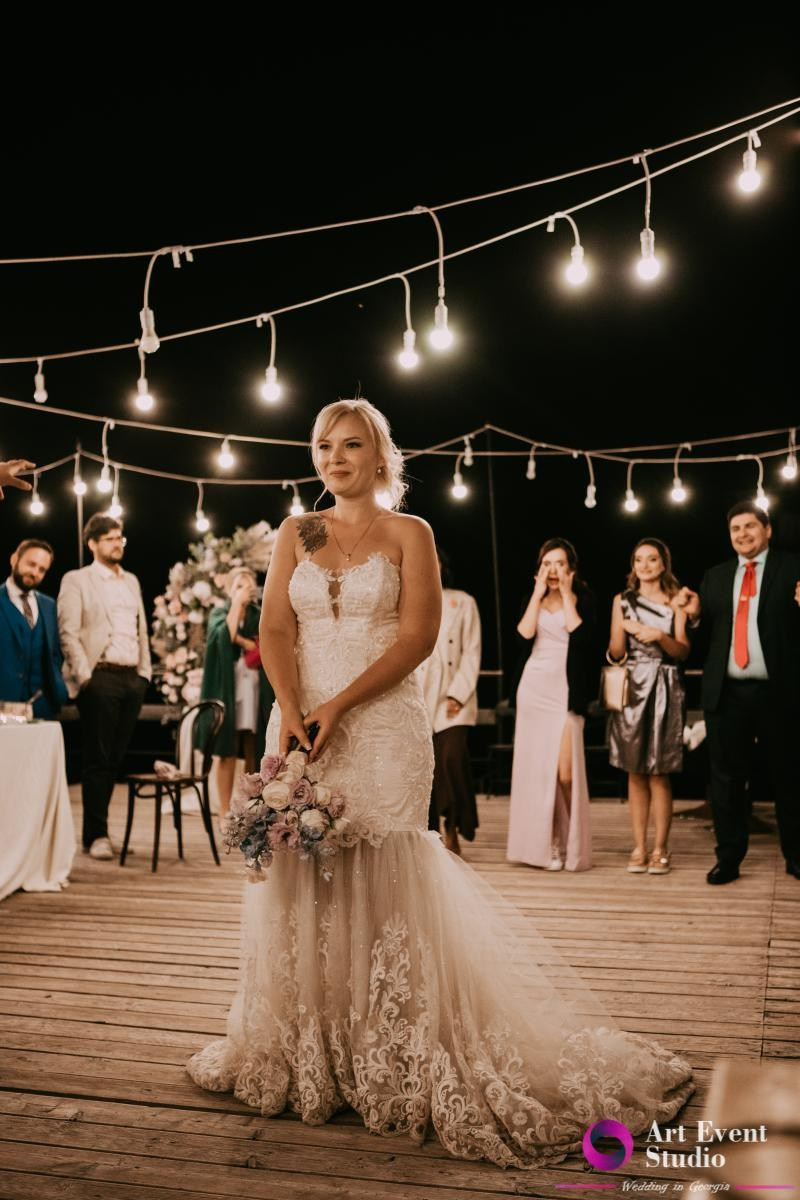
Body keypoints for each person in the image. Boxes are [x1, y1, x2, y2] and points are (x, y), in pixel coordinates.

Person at [186, 398, 693, 1170]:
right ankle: (318, 1043)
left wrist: (338, 706)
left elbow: (419, 635)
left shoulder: (408, 532)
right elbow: (278, 628)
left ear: (379, 455)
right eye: (322, 446)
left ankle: (390, 1042)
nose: (334, 458)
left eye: (350, 445)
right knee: (304, 867)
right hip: (303, 726)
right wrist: (292, 710)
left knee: (386, 871)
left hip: (381, 727)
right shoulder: (300, 532)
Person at [679, 502, 800, 885]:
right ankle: (728, 858)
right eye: (735, 528)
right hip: (727, 692)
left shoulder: (793, 568)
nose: (743, 534)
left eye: (750, 526)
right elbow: (706, 638)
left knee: (790, 775)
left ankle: (796, 856)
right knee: (726, 781)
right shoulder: (715, 576)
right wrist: (695, 615)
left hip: (780, 691)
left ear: (768, 530)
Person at [57, 514, 151, 860]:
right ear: (92, 543)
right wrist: (86, 676)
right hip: (100, 675)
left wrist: (144, 673)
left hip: (131, 677)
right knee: (97, 759)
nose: (117, 543)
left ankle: (100, 832)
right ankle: (96, 836)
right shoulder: (77, 579)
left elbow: (140, 628)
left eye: (119, 537)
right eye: (109, 538)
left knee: (115, 758)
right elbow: (68, 632)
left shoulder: (132, 581)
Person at [506, 539, 595, 872]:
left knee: (565, 774)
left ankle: (573, 842)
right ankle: (549, 845)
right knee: (537, 771)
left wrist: (568, 595)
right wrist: (537, 594)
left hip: (567, 692)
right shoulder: (533, 598)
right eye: (547, 563)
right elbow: (522, 637)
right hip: (534, 689)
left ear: (571, 568)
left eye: (559, 563)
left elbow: (581, 637)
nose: (553, 570)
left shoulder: (584, 599)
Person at [607, 539, 690, 875]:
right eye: (638, 559)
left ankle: (661, 848)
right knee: (635, 770)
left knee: (659, 770)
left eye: (652, 559)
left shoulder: (676, 599)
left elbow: (683, 651)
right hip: (632, 685)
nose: (644, 565)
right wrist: (621, 628)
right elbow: (616, 652)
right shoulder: (622, 600)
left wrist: (658, 636)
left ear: (663, 564)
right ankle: (639, 846)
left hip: (665, 684)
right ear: (633, 565)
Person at [196, 566, 274, 820]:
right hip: (228, 686)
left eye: (248, 586)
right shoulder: (220, 612)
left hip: (254, 685)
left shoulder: (258, 614)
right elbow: (224, 636)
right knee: (226, 747)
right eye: (239, 586)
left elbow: (266, 643)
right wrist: (237, 608)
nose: (244, 591)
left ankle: (252, 807)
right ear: (230, 589)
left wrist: (247, 641)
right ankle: (224, 810)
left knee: (254, 743)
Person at [418, 551, 481, 855]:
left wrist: (458, 694)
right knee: (424, 766)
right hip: (420, 695)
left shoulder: (463, 601)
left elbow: (472, 650)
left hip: (453, 696)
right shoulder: (409, 602)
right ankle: (432, 831)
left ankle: (454, 823)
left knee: (452, 758)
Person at [0, 539, 69, 718]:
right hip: (3, 705)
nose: (35, 572)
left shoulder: (49, 605)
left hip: (42, 705)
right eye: (31, 564)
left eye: (42, 569)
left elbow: (54, 653)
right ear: (14, 559)